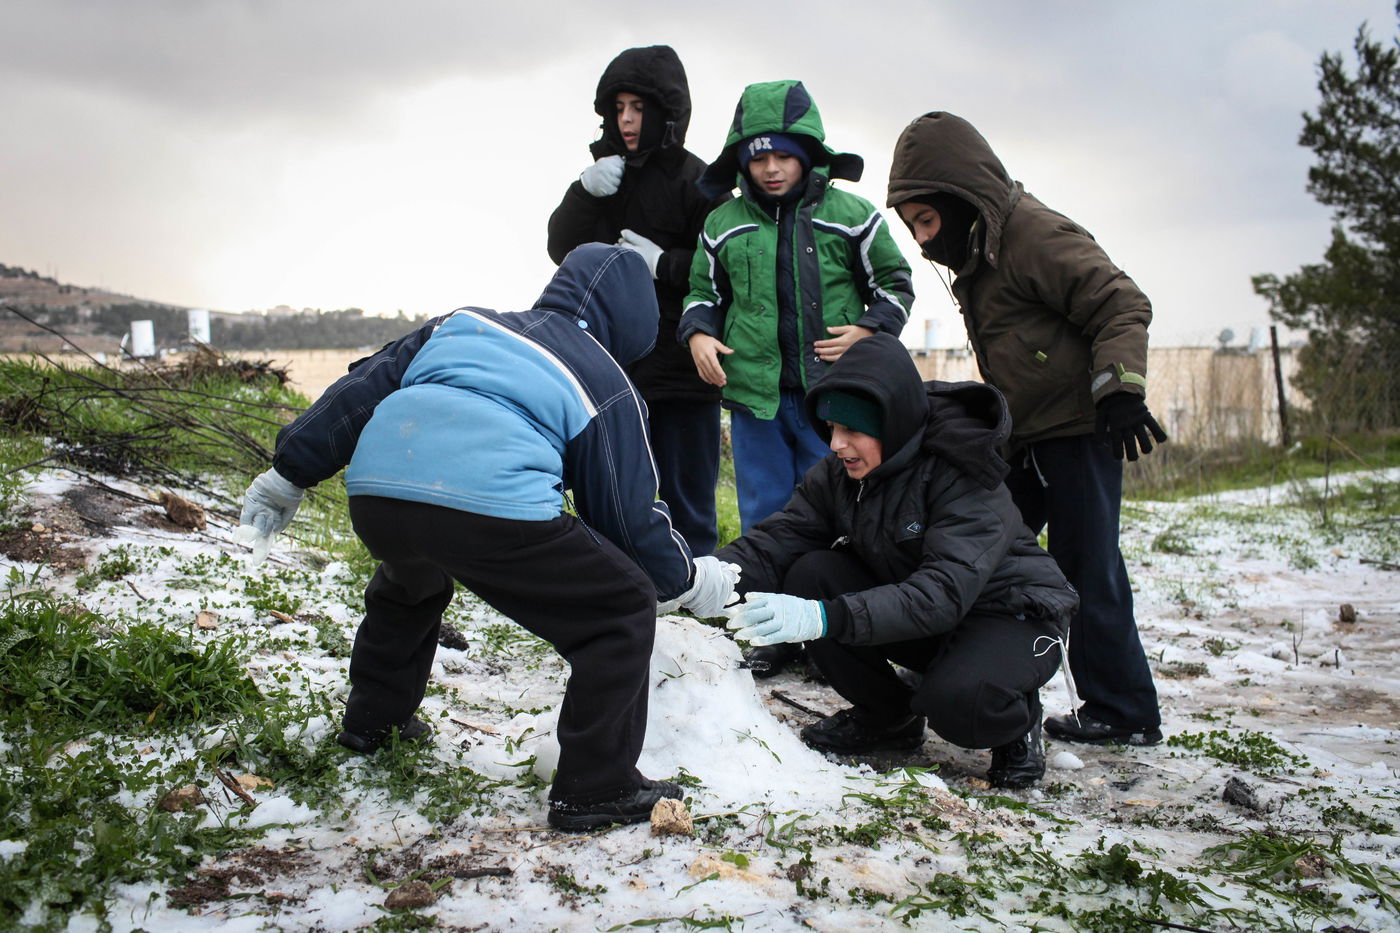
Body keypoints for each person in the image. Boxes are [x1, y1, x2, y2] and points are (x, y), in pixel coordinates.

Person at [237, 245, 738, 832]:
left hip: (380, 494)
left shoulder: (461, 324)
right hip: (488, 511)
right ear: (633, 323)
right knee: (621, 605)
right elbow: (626, 516)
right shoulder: (604, 378)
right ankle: (596, 787)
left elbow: (359, 391)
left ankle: (374, 722)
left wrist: (288, 474)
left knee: (411, 579)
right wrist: (685, 580)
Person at [886, 111, 1169, 746]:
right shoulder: (979, 252)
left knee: (1085, 567)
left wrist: (1120, 387)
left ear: (961, 199)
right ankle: (954, 672)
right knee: (980, 548)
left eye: (927, 221)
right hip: (1023, 437)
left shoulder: (1034, 234)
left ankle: (1124, 710)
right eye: (912, 227)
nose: (923, 241)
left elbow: (1121, 301)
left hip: (1079, 429)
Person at [719, 333, 1078, 788]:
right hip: (929, 613)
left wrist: (825, 617)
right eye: (831, 428)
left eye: (852, 430)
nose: (836, 444)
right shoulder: (841, 474)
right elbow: (781, 537)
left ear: (891, 424)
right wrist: (705, 575)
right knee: (811, 573)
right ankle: (888, 716)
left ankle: (1016, 721)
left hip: (1009, 615)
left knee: (958, 702)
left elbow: (942, 592)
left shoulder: (964, 470)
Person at [680, 79, 915, 535]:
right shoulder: (721, 223)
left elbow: (896, 285)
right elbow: (703, 293)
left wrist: (868, 332)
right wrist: (699, 334)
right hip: (753, 401)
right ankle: (761, 581)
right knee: (762, 514)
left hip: (834, 396)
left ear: (807, 154)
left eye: (784, 156)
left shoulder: (854, 216)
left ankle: (832, 579)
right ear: (742, 162)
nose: (771, 168)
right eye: (758, 158)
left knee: (836, 509)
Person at [548, 45, 728, 555]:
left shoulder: (701, 182)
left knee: (688, 501)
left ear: (666, 112)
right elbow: (561, 249)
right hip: (609, 369)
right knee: (610, 494)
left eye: (639, 108)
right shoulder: (604, 176)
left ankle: (695, 585)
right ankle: (617, 581)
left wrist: (663, 262)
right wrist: (584, 192)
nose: (626, 119)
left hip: (683, 372)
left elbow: (730, 270)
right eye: (619, 108)